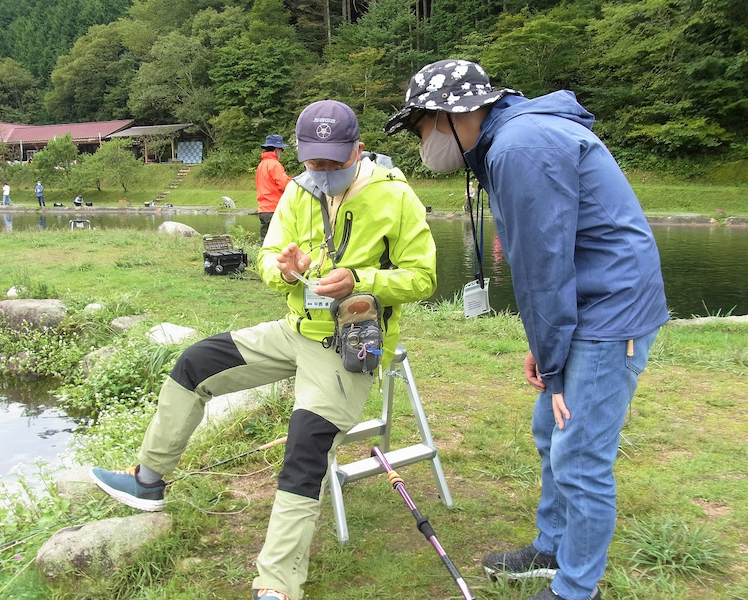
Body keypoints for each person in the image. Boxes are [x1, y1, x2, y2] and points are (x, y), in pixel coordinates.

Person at [90, 100, 437, 600]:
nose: (322, 174)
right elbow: (269, 259)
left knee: (305, 446)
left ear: (357, 151)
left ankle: (277, 587)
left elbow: (424, 278)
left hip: (347, 345)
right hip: (295, 329)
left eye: (334, 164)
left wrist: (361, 279)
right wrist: (284, 266)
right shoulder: (296, 191)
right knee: (195, 363)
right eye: (313, 162)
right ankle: (148, 480)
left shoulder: (396, 197)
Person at [385, 59, 669, 600]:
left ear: (453, 115)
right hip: (587, 303)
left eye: (421, 127)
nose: (422, 142)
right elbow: (543, 263)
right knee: (552, 431)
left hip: (609, 311)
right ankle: (552, 545)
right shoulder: (509, 140)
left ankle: (575, 589)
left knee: (581, 455)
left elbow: (545, 267)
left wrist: (556, 360)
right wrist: (545, 349)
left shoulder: (521, 147)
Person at [255, 134, 293, 242]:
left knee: (265, 243)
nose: (281, 153)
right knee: (279, 243)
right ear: (276, 149)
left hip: (263, 210)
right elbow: (285, 185)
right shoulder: (275, 164)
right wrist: (296, 183)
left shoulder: (261, 165)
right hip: (274, 209)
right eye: (281, 150)